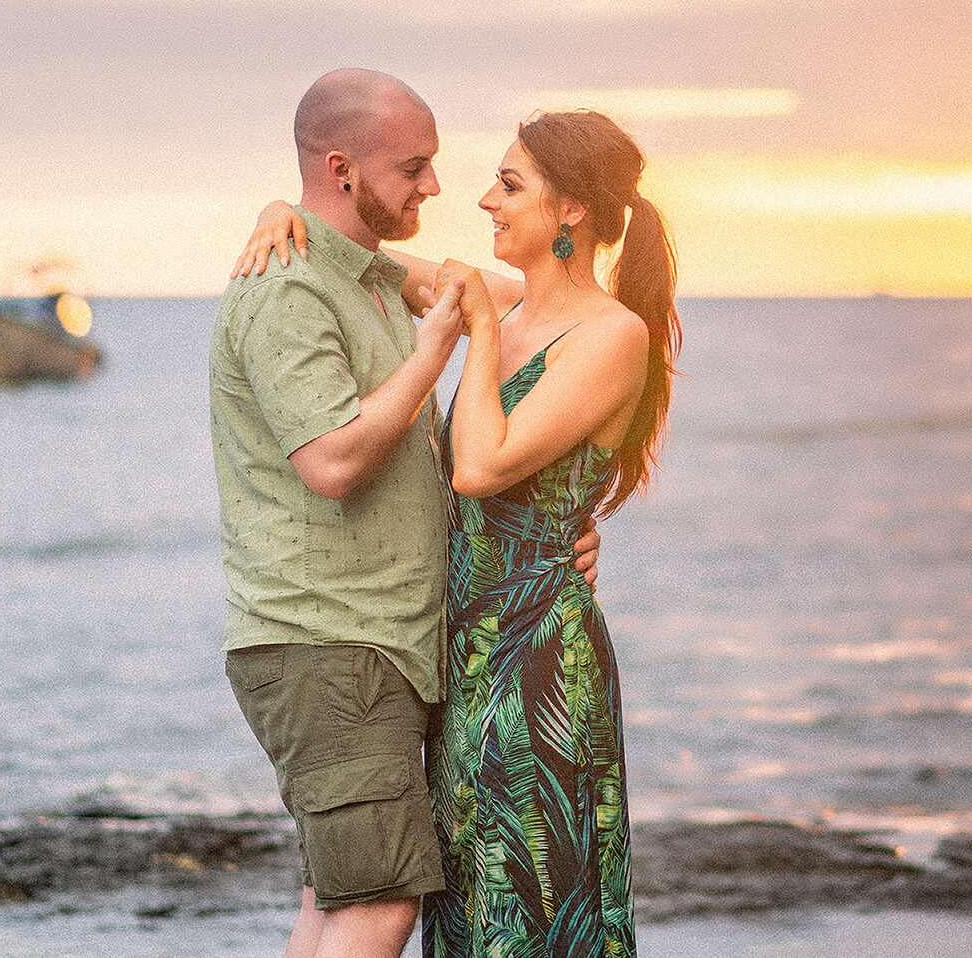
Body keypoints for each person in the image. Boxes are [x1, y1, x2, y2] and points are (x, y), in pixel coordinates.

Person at [237, 107, 677, 958]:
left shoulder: (611, 335)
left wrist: (474, 325)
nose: (484, 201)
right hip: (459, 655)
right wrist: (277, 216)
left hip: (539, 660)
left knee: (537, 900)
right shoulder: (504, 309)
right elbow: (356, 256)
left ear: (573, 210)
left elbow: (481, 465)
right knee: (468, 904)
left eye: (510, 185)